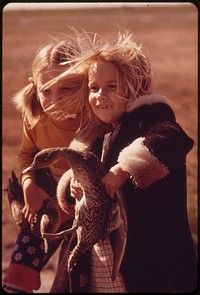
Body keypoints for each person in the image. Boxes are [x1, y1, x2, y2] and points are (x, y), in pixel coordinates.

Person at [66, 31, 197, 293]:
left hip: (145, 260)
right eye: (94, 88)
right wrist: (74, 185)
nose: (100, 95)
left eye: (111, 87)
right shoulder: (98, 133)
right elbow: (85, 172)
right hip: (100, 259)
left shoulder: (151, 119)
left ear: (135, 85)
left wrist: (123, 168)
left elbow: (173, 139)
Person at [3, 39, 108, 293]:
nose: (54, 99)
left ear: (84, 85)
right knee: (18, 276)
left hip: (87, 210)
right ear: (35, 86)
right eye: (46, 90)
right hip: (48, 204)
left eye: (67, 88)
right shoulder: (35, 117)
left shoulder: (98, 119)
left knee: (71, 278)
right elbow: (26, 154)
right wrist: (28, 185)